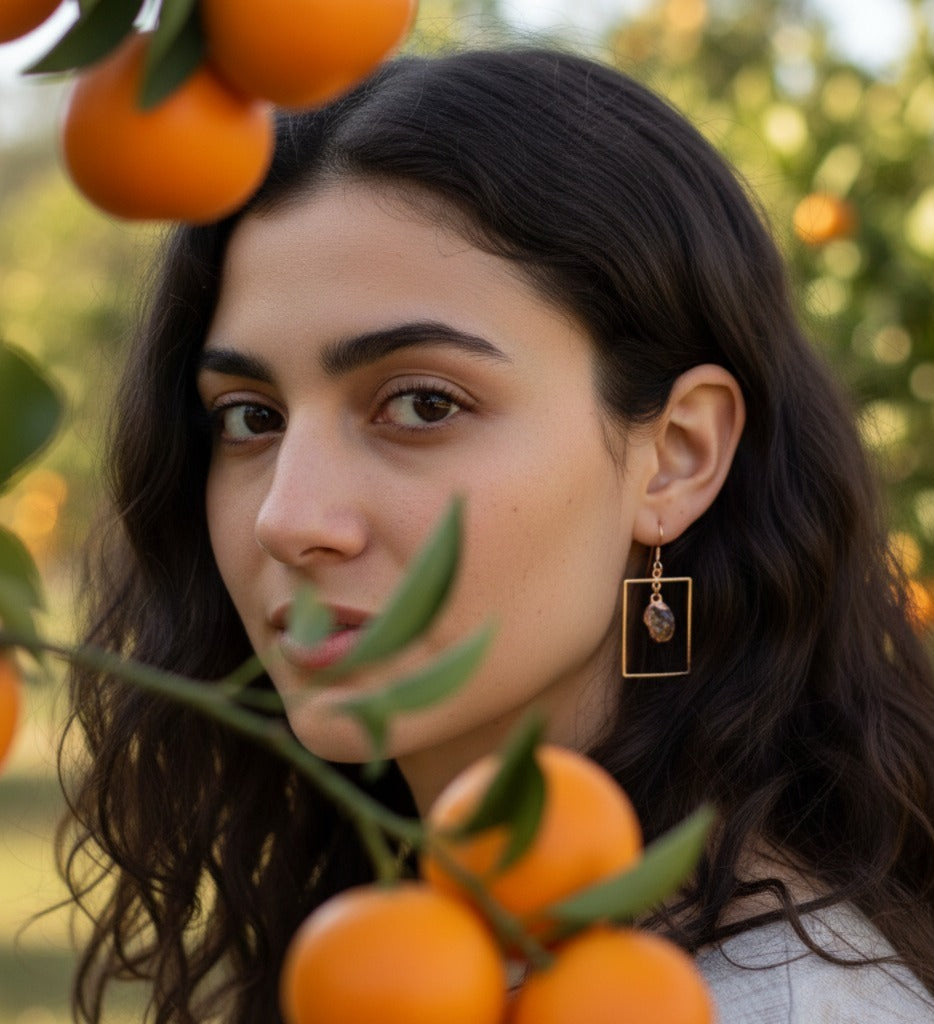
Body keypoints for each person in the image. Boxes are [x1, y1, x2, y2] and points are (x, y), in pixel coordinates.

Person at [59, 47, 934, 1023]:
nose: (287, 517)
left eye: (423, 402)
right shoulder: (400, 953)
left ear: (677, 456)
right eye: (250, 418)